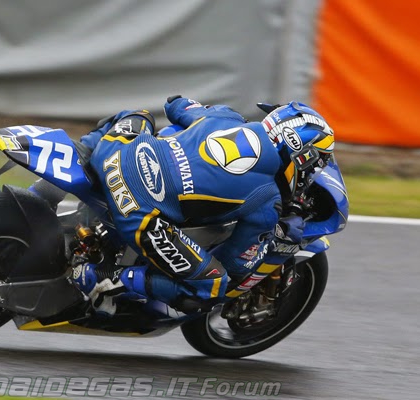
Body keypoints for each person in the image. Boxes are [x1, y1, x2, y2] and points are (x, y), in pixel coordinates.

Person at [59, 96, 335, 315]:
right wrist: (275, 237)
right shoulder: (267, 201)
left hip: (116, 152)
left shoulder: (225, 117)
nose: (313, 171)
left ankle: (79, 153)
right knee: (212, 285)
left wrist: (195, 111)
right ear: (302, 157)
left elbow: (175, 103)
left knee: (137, 115)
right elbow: (236, 267)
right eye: (317, 162)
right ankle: (101, 277)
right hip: (137, 213)